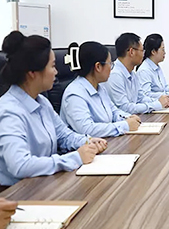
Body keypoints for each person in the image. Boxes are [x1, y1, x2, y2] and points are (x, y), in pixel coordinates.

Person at [0, 31, 106, 188]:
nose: (56, 72)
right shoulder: (9, 111)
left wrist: (87, 141)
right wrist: (76, 158)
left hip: (44, 182)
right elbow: (20, 165)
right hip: (17, 192)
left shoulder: (42, 102)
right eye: (53, 66)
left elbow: (63, 135)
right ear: (32, 73)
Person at [60, 41, 141, 137]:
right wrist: (125, 125)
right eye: (110, 63)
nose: (111, 68)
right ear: (98, 66)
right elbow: (87, 129)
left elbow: (114, 111)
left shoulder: (100, 88)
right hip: (87, 145)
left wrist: (128, 117)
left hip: (105, 141)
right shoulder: (75, 94)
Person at [106, 33, 169, 114]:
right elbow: (125, 108)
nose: (144, 54)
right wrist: (157, 104)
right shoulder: (115, 75)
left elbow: (141, 98)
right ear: (132, 52)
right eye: (142, 50)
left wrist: (160, 101)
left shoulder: (132, 74)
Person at [137, 34, 169, 101]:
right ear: (153, 51)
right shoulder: (144, 70)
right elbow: (146, 94)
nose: (165, 52)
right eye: (162, 49)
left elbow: (164, 87)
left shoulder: (156, 67)